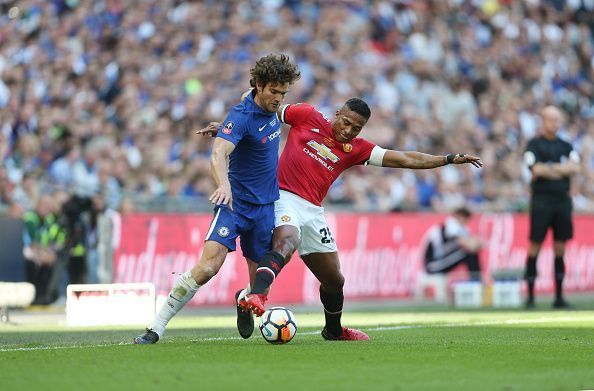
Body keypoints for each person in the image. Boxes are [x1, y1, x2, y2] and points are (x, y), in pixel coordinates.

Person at [204, 98, 482, 340]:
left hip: (313, 210)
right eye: (346, 122)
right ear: (337, 113)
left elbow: (406, 158)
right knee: (287, 241)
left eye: (356, 128)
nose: (348, 131)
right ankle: (258, 296)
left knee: (335, 280)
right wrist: (231, 129)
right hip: (283, 196)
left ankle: (331, 330)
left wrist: (447, 158)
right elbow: (261, 111)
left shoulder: (358, 149)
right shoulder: (306, 115)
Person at [134, 54, 300, 344]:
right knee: (208, 267)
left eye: (283, 93)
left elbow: (235, 129)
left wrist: (224, 128)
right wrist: (223, 184)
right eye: (273, 91)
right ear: (260, 86)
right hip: (234, 204)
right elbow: (217, 153)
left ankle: (242, 299)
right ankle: (156, 327)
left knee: (259, 287)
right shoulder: (243, 115)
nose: (278, 98)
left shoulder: (260, 104)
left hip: (264, 207)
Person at [523, 105, 580, 309]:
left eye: (557, 119)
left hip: (562, 202)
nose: (554, 123)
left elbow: (575, 167)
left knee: (560, 247)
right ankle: (530, 296)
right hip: (541, 202)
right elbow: (535, 169)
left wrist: (548, 168)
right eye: (550, 119)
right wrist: (561, 170)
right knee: (535, 245)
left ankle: (559, 296)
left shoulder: (566, 146)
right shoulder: (534, 145)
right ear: (543, 121)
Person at [423, 207, 482, 280]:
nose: (466, 221)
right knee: (467, 253)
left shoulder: (461, 228)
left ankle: (476, 280)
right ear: (458, 216)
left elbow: (473, 244)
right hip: (432, 266)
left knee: (469, 252)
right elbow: (470, 245)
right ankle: (476, 280)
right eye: (465, 218)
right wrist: (477, 243)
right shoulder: (451, 225)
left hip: (441, 260)